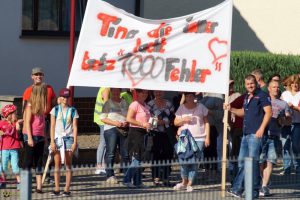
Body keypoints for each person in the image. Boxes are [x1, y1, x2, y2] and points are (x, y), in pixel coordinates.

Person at [225, 74, 272, 198]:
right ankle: (241, 189)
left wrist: (261, 129)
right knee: (242, 162)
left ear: (256, 83)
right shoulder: (246, 97)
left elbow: (268, 112)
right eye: (247, 84)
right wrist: (231, 109)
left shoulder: (262, 95)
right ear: (245, 85)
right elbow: (243, 112)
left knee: (251, 162)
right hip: (245, 134)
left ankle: (249, 190)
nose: (250, 86)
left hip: (256, 134)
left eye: (252, 83)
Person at [22, 67, 56, 184]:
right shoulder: (28, 91)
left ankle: (46, 176)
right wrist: (26, 130)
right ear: (32, 76)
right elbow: (25, 110)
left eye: (40, 74)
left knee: (45, 152)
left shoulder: (49, 88)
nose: (38, 76)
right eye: (36, 74)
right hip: (32, 127)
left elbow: (54, 104)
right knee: (30, 156)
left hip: (45, 122)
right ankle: (26, 182)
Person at [259, 80, 292, 197]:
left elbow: (289, 119)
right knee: (260, 161)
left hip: (274, 135)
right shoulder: (262, 100)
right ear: (268, 88)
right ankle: (262, 181)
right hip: (262, 135)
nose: (276, 89)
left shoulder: (283, 104)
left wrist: (284, 120)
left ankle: (264, 186)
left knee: (270, 161)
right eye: (273, 87)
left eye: (277, 87)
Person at [173, 92, 210, 192]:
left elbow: (206, 122)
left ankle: (190, 183)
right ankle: (184, 181)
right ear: (184, 97)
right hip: (185, 138)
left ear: (194, 97)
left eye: (191, 96)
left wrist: (207, 137)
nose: (189, 98)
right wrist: (183, 119)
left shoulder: (201, 106)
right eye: (187, 96)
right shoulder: (181, 107)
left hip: (199, 138)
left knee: (194, 162)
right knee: (183, 160)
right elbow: (175, 122)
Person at [50, 88, 79, 197]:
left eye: (67, 97)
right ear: (60, 98)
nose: (65, 99)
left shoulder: (73, 110)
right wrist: (52, 141)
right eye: (63, 97)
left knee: (68, 164)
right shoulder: (55, 110)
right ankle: (57, 188)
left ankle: (67, 189)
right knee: (57, 164)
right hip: (57, 138)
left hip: (69, 138)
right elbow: (52, 126)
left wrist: (75, 142)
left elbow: (75, 127)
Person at [99, 88, 129, 184]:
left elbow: (129, 116)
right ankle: (110, 175)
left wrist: (127, 123)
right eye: (114, 91)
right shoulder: (108, 103)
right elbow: (103, 118)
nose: (116, 93)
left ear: (120, 92)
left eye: (118, 91)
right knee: (111, 153)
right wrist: (115, 123)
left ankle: (126, 174)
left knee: (125, 153)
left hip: (123, 129)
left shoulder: (125, 102)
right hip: (111, 129)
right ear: (111, 92)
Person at [23, 83, 48, 193]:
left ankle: (39, 187)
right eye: (43, 93)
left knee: (39, 161)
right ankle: (26, 186)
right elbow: (27, 123)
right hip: (31, 136)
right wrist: (29, 138)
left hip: (40, 136)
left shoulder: (42, 107)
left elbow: (42, 124)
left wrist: (45, 137)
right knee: (28, 162)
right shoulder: (30, 106)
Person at [123, 89, 151, 188]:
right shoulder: (134, 104)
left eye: (146, 92)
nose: (144, 94)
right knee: (136, 159)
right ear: (137, 93)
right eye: (142, 92)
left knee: (140, 158)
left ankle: (138, 182)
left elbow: (147, 121)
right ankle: (126, 180)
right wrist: (142, 124)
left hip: (144, 134)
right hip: (135, 133)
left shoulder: (146, 106)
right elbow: (129, 119)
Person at [146, 90, 175, 186]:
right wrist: (159, 122)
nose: (158, 94)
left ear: (164, 92)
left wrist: (165, 121)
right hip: (155, 133)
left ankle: (166, 177)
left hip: (167, 133)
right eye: (156, 92)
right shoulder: (150, 104)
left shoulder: (169, 104)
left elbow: (173, 117)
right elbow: (148, 119)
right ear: (153, 93)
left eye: (160, 92)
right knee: (155, 155)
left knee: (168, 154)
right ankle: (156, 177)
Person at [280, 74, 300, 175]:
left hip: (297, 123)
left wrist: (294, 107)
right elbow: (279, 106)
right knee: (285, 145)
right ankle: (287, 167)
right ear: (290, 84)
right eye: (293, 83)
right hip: (285, 123)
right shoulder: (285, 94)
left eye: (297, 83)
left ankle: (297, 166)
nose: (295, 85)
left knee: (295, 146)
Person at [0, 105, 22, 190]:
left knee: (15, 166)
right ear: (9, 115)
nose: (16, 115)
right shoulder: (2, 123)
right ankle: (2, 181)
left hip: (14, 148)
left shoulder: (15, 122)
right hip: (4, 148)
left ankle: (19, 182)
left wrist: (17, 125)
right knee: (3, 166)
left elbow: (20, 123)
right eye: (14, 113)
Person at [94, 88, 110, 174]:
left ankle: (102, 165)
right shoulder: (106, 89)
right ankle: (99, 165)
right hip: (103, 119)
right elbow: (106, 104)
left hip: (101, 118)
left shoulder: (104, 87)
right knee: (103, 142)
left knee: (104, 142)